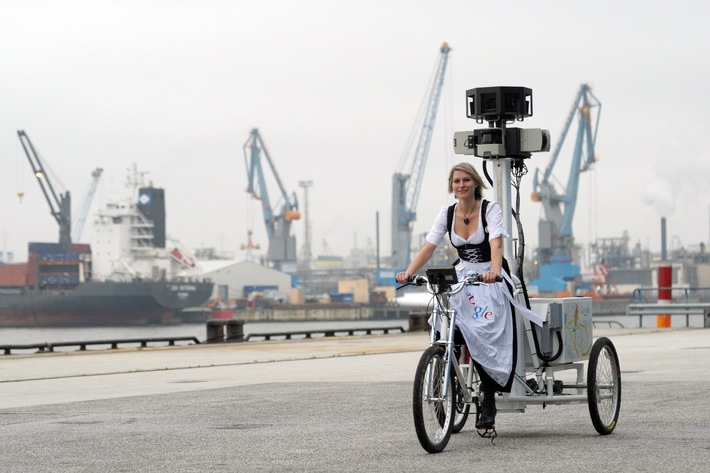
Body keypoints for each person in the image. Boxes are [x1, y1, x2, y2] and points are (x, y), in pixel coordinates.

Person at [396, 161, 542, 430]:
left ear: (475, 183)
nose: (461, 185)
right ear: (452, 187)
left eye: (465, 180)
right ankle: (449, 376)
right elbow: (429, 246)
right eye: (456, 181)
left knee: (486, 329)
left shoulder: (490, 209)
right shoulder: (447, 213)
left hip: (489, 275)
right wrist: (408, 272)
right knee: (446, 323)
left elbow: (496, 243)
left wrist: (494, 272)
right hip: (462, 274)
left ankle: (487, 396)